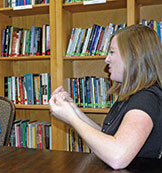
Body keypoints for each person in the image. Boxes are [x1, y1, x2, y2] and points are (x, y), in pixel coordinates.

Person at [49, 24, 162, 169]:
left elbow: (117, 157)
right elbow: (108, 137)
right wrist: (74, 111)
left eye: (112, 52)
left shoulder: (146, 99)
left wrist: (71, 117)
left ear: (134, 56)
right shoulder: (134, 95)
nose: (107, 59)